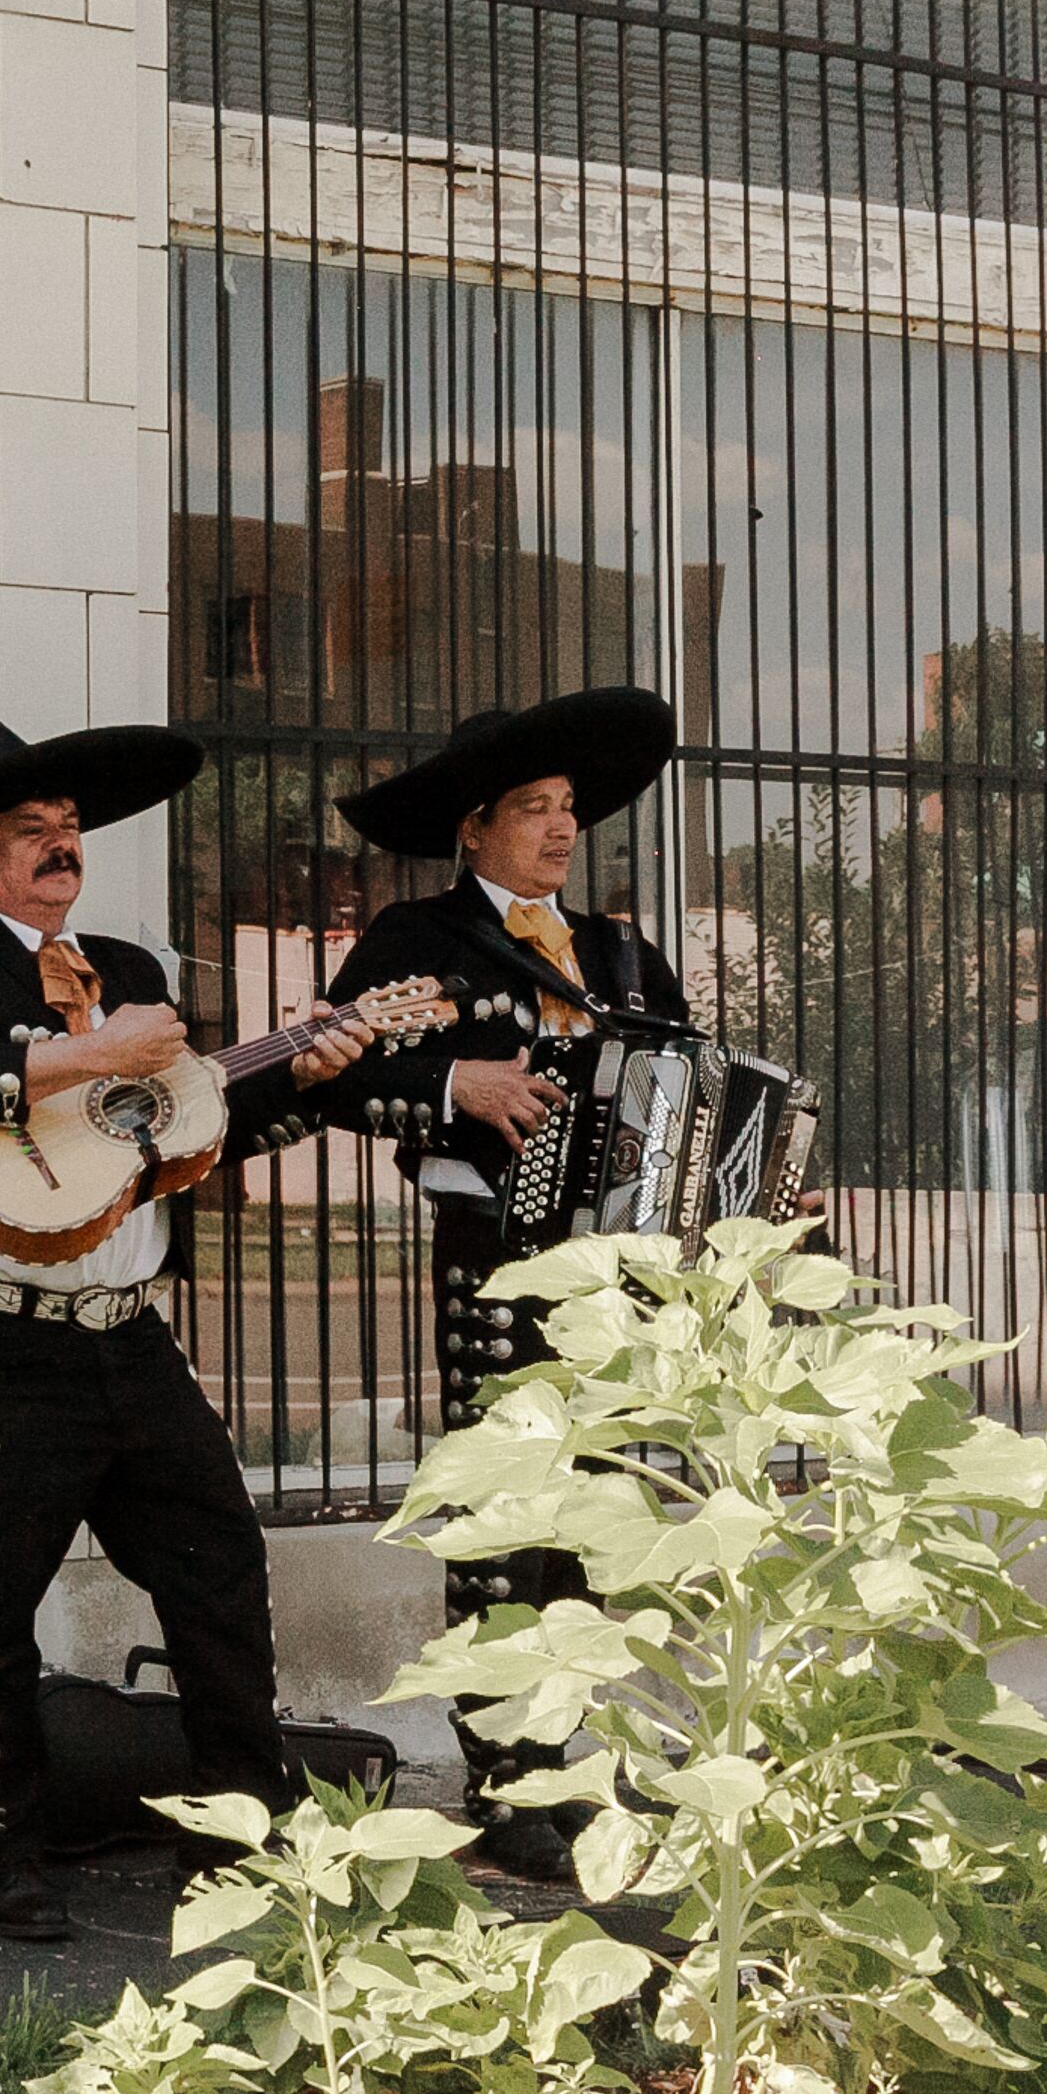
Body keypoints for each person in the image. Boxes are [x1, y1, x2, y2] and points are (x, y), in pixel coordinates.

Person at [0, 718, 371, 1942]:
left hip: (128, 1325)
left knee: (220, 1557)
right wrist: (90, 1049)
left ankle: (246, 1829)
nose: (63, 845)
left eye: (70, 827)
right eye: (32, 830)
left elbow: (183, 1136)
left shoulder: (123, 961)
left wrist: (307, 1077)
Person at [307, 686, 686, 1886]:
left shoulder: (623, 952)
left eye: (569, 808)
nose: (562, 829)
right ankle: (500, 1782)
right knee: (500, 1531)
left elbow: (683, 1093)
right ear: (474, 827)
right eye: (535, 808)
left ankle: (561, 1769)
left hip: (615, 1274)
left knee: (588, 1534)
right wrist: (450, 1089)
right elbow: (319, 1081)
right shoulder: (417, 942)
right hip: (494, 1257)